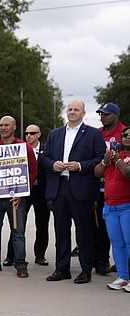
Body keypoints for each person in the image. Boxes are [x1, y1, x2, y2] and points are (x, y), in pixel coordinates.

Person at [40, 100, 106, 284]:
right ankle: (62, 269)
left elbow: (101, 159)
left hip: (81, 188)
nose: (72, 112)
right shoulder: (55, 134)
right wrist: (53, 164)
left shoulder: (93, 134)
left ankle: (86, 270)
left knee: (84, 231)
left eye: (76, 109)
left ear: (84, 113)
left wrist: (80, 165)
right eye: (70, 109)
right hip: (59, 187)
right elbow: (44, 158)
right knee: (61, 230)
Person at [0, 116, 37, 278]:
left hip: (16, 199)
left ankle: (20, 264)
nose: (3, 128)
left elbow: (33, 171)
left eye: (6, 125)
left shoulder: (24, 147)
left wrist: (24, 192)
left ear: (14, 127)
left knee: (18, 233)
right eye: (1, 125)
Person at [4, 124, 50, 266]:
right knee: (17, 222)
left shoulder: (46, 150)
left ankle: (40, 255)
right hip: (23, 190)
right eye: (26, 133)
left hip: (41, 191)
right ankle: (10, 256)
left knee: (42, 224)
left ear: (39, 134)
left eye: (32, 133)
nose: (29, 136)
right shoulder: (19, 149)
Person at [94, 126, 130, 291]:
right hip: (110, 206)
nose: (126, 137)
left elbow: (127, 172)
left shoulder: (121, 159)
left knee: (129, 243)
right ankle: (123, 276)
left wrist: (116, 160)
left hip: (127, 206)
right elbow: (97, 172)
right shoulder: (115, 155)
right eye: (124, 135)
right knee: (117, 243)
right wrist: (105, 161)